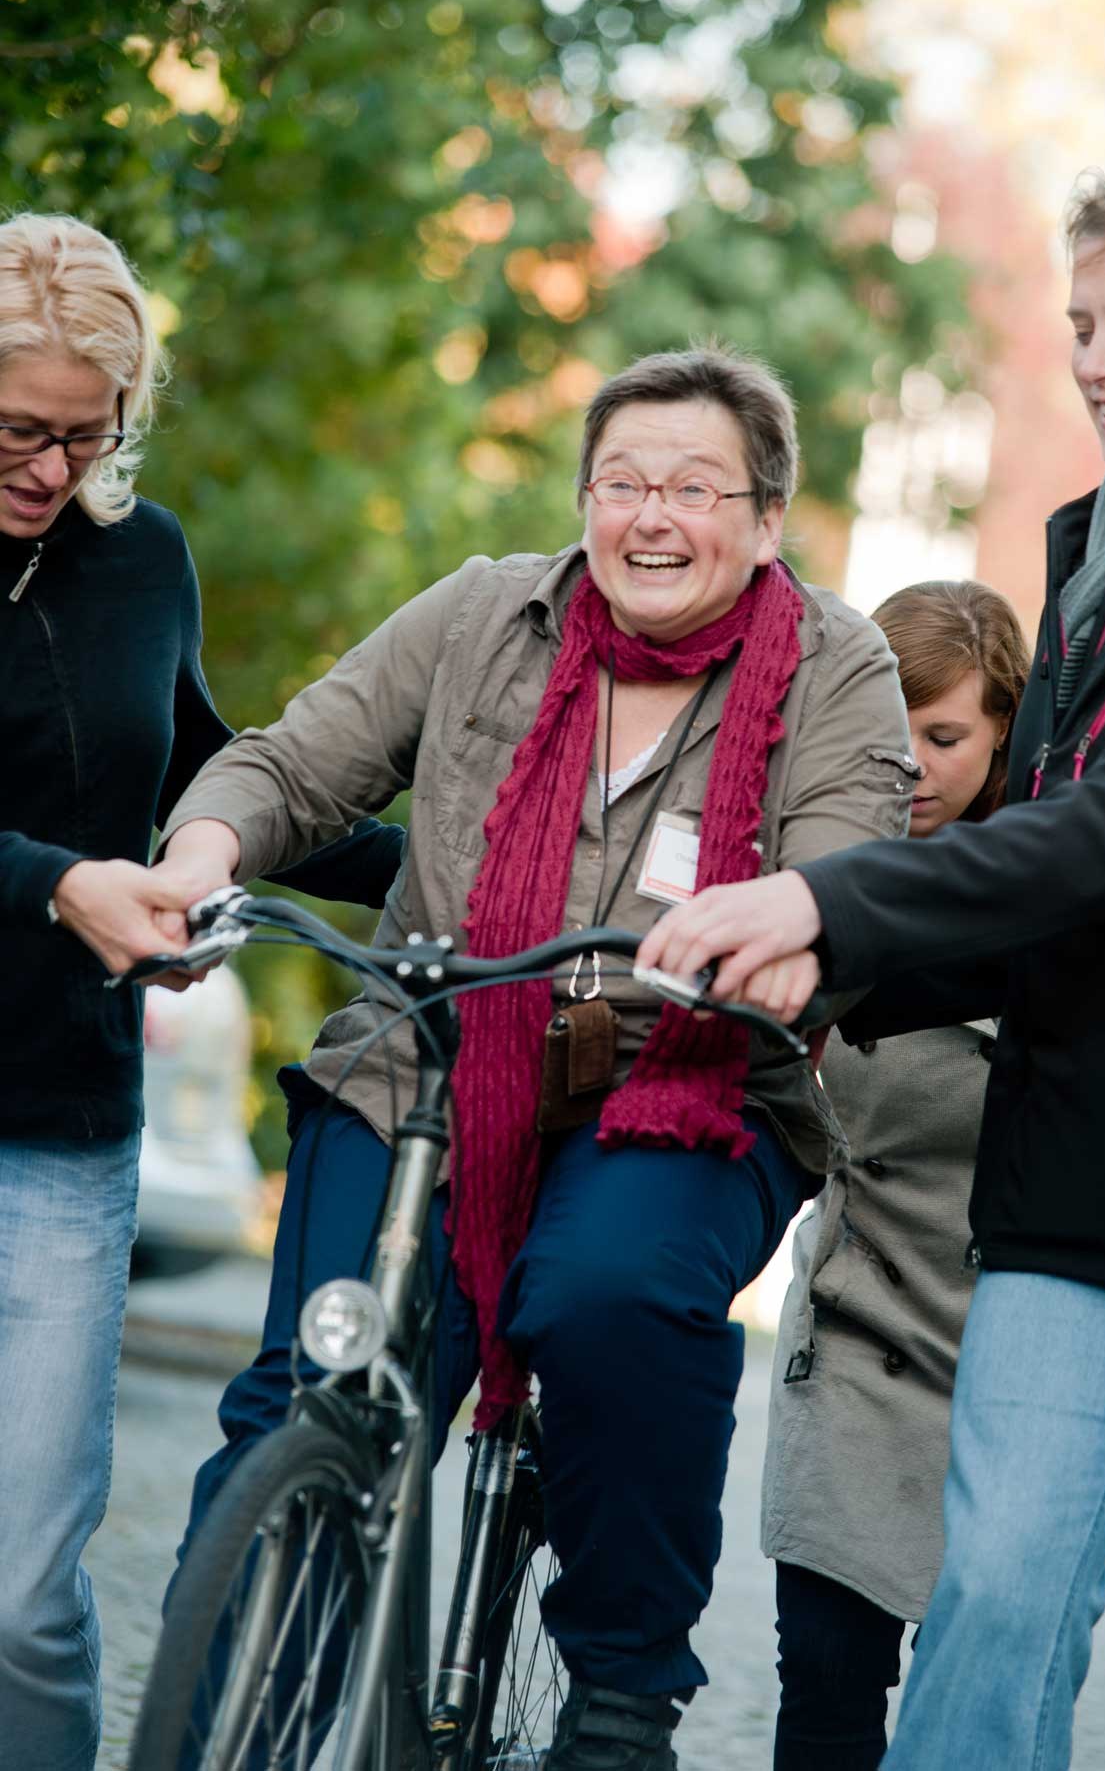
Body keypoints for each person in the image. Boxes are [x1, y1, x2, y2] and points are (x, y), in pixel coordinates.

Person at [93, 345, 918, 1770]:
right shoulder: (485, 613)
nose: (649, 517)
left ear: (768, 519)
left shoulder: (839, 668)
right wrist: (205, 858)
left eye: (693, 488)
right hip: (430, 1054)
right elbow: (295, 764)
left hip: (689, 1080)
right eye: (620, 482)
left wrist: (800, 928)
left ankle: (617, 1691)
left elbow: (847, 863)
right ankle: (236, 1701)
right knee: (314, 1387)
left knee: (606, 1293)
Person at [639, 154, 1105, 1768]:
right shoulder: (1101, 553)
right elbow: (1057, 894)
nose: (1095, 360)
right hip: (1074, 1189)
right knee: (993, 1613)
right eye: (1081, 323)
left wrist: (832, 911)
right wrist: (826, 974)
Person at [0, 211, 403, 1771]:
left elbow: (195, 773)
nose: (50, 470)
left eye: (84, 437)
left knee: (27, 1595)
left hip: (62, 1126)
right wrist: (52, 879)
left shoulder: (141, 557)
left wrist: (465, 861)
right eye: (19, 431)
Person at [761, 578, 1105, 1771]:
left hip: (1030, 1339)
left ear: (1003, 736)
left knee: (981, 1686)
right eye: (890, 737)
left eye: (942, 738)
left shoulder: (1060, 882)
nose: (913, 767)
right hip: (861, 1324)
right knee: (823, 1678)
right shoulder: (821, 866)